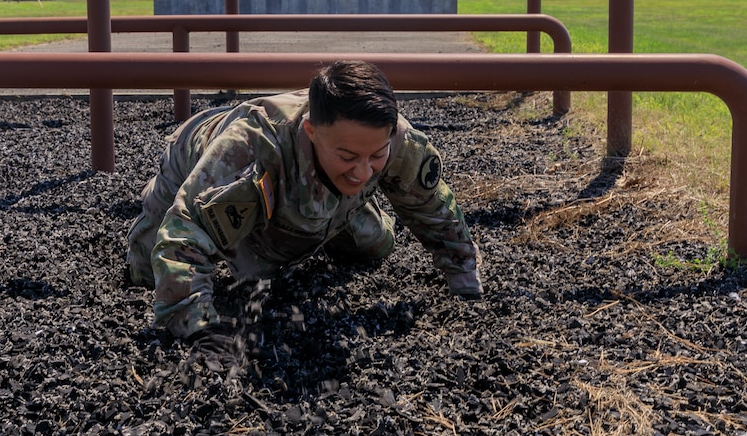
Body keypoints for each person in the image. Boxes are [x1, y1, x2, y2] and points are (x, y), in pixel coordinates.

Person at [126, 60, 483, 350]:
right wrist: (198, 328)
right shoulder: (249, 146)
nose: (363, 171)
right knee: (147, 271)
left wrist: (464, 277)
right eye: (348, 156)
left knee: (377, 245)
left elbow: (432, 206)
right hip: (201, 158)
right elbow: (184, 234)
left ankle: (335, 207)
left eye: (377, 156)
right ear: (312, 132)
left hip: (321, 199)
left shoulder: (399, 140)